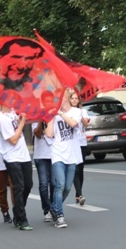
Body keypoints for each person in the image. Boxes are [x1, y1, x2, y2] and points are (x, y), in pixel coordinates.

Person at [45, 88, 82, 229]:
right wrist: (51, 118)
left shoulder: (76, 112)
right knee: (59, 185)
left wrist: (60, 113)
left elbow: (73, 124)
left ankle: (53, 208)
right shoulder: (54, 114)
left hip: (71, 155)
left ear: (65, 98)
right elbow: (49, 134)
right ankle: (59, 216)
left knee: (67, 188)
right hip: (58, 154)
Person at [0, 104, 33, 231]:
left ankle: (17, 211)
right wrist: (22, 123)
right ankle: (22, 220)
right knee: (19, 186)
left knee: (28, 185)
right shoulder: (1, 119)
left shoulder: (13, 112)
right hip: (11, 156)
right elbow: (13, 140)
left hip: (24, 155)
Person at [32, 118, 54, 223]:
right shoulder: (36, 117)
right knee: (44, 184)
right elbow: (37, 133)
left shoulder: (55, 116)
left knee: (55, 184)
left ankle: (54, 208)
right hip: (41, 155)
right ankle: (47, 210)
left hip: (55, 154)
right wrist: (41, 120)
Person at [73, 92, 90, 205]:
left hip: (82, 143)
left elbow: (86, 124)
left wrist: (80, 115)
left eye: (76, 98)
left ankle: (78, 193)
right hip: (73, 143)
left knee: (81, 169)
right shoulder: (68, 112)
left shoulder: (82, 111)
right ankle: (79, 194)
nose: (74, 100)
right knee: (75, 169)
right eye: (72, 98)